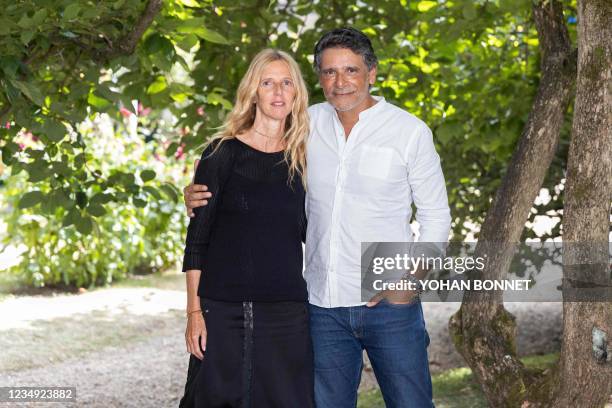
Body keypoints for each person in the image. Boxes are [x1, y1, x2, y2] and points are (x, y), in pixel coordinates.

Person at [184, 28, 451, 408]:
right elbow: (254, 168)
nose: (340, 82)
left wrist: (411, 282)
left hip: (388, 306)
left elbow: (436, 216)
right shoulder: (304, 127)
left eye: (351, 70)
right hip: (322, 308)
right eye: (329, 72)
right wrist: (198, 192)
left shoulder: (408, 132)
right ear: (319, 78)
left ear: (372, 73)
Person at [179, 48, 314, 407]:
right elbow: (197, 242)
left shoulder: (306, 158)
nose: (278, 92)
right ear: (253, 91)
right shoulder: (219, 154)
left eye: (287, 83)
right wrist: (194, 312)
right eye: (267, 83)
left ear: (297, 93)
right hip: (221, 310)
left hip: (287, 311)